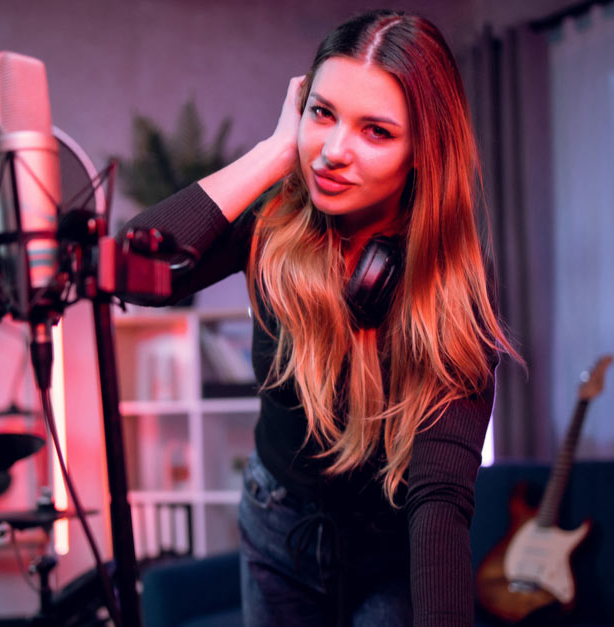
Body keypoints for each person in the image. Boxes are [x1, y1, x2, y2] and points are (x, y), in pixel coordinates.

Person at [125, 10, 519, 626]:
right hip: (275, 525)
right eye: (323, 112)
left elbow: (439, 497)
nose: (333, 152)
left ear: (422, 151)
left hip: (392, 554)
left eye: (377, 131)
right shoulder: (272, 226)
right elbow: (131, 270)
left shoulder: (452, 294)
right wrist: (277, 150)